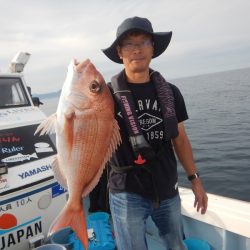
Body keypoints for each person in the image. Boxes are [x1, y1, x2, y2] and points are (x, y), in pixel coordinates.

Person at [102, 16, 208, 250]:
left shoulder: (171, 92)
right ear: (120, 52)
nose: (137, 49)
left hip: (167, 187)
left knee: (176, 245)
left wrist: (195, 179)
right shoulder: (105, 97)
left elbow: (180, 138)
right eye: (129, 44)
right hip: (126, 190)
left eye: (144, 42)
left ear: (153, 49)